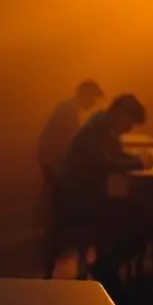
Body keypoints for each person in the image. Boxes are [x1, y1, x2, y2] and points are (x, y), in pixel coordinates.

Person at [56, 93, 152, 285]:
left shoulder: (102, 126)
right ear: (121, 114)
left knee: (142, 212)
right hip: (81, 200)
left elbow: (114, 155)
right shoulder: (98, 129)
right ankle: (107, 264)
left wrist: (137, 161)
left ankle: (108, 262)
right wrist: (138, 163)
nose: (129, 129)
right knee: (147, 217)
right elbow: (102, 162)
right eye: (130, 122)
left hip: (84, 196)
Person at [38, 80, 104, 278]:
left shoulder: (68, 108)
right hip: (56, 164)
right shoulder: (68, 112)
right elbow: (68, 142)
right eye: (93, 98)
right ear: (85, 94)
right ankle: (58, 261)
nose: (93, 104)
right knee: (61, 214)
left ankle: (51, 261)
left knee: (58, 213)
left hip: (54, 162)